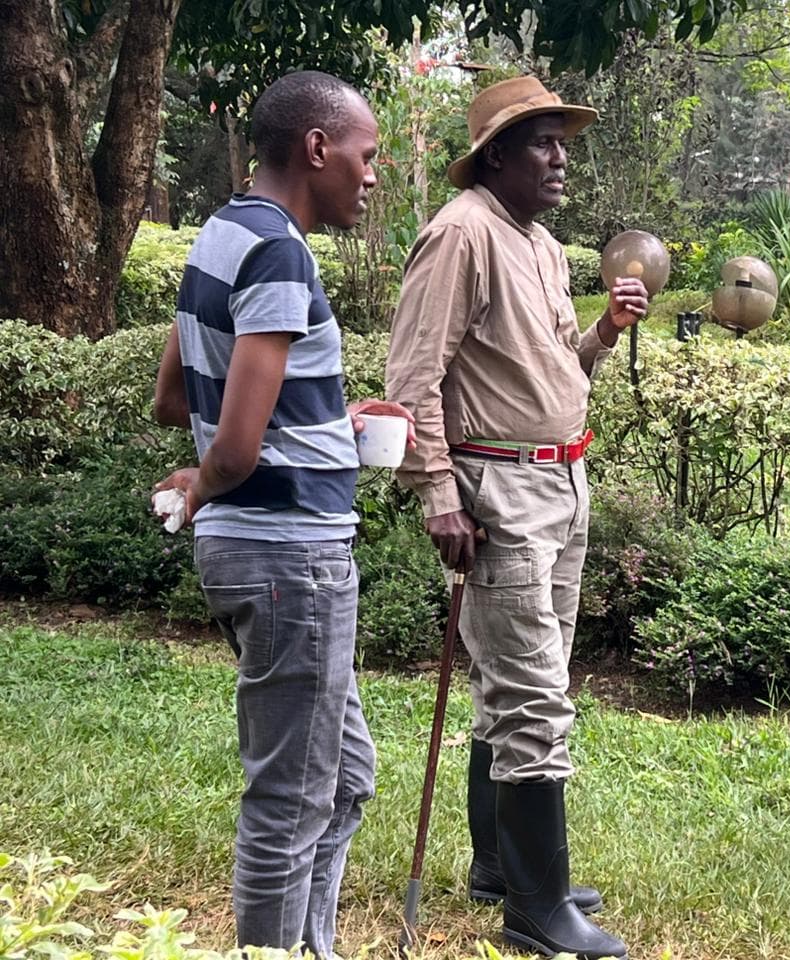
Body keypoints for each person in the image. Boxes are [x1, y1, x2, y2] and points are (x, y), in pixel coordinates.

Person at [151, 70, 414, 958]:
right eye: (366, 156)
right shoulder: (277, 251)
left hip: (262, 550)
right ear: (316, 149)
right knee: (291, 800)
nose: (372, 175)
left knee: (342, 780)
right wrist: (201, 480)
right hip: (287, 554)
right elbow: (231, 450)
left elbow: (173, 395)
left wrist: (330, 421)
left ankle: (310, 946)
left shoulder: (219, 236)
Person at [384, 76, 647, 960]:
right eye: (541, 141)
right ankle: (538, 911)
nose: (560, 156)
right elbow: (413, 377)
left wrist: (605, 331)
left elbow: (551, 373)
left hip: (561, 483)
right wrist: (438, 493)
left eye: (562, 140)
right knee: (534, 696)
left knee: (525, 686)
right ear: (495, 154)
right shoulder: (460, 233)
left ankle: (502, 866)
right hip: (497, 494)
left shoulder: (537, 242)